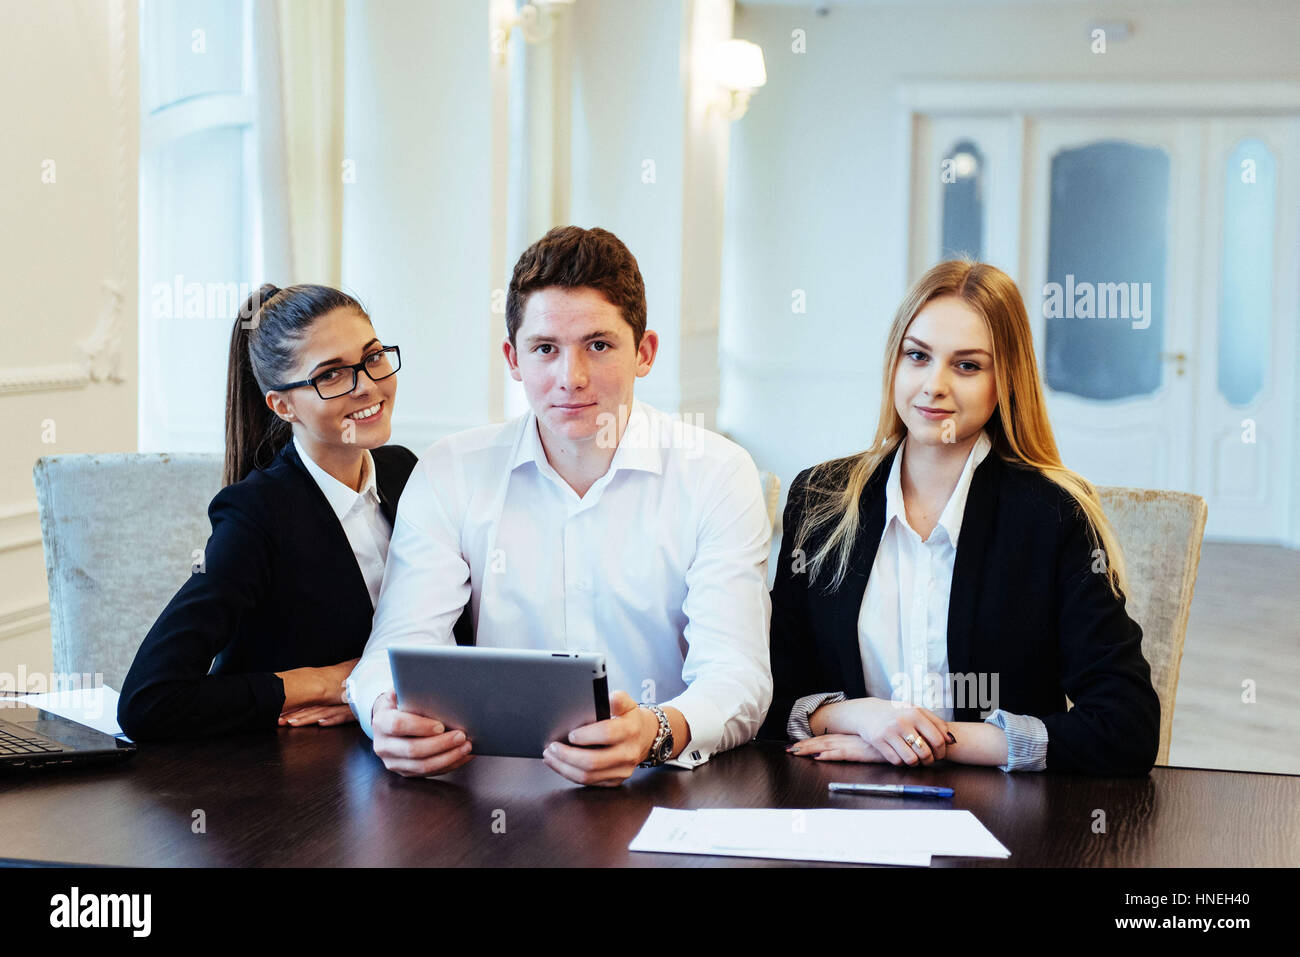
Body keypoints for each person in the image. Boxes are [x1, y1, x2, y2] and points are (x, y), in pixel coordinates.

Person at [345, 226, 773, 786]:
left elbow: (737, 676)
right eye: (545, 349)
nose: (570, 379)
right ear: (514, 359)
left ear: (644, 353)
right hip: (488, 798)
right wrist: (385, 713)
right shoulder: (452, 471)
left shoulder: (717, 473)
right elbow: (393, 653)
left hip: (662, 789)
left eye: (599, 345)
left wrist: (654, 732)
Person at [759, 259, 1160, 776]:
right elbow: (765, 692)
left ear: (1005, 380)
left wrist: (936, 741)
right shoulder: (821, 500)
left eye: (967, 365)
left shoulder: (1055, 516)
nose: (934, 385)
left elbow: (1126, 726)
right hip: (839, 802)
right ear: (895, 363)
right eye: (918, 356)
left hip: (1004, 819)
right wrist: (858, 717)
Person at [118, 283, 463, 740]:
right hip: (286, 776)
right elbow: (149, 700)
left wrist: (366, 697)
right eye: (332, 375)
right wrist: (332, 682)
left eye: (373, 357)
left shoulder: (405, 472)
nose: (367, 386)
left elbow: (453, 630)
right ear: (282, 405)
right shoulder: (256, 515)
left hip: (402, 745)